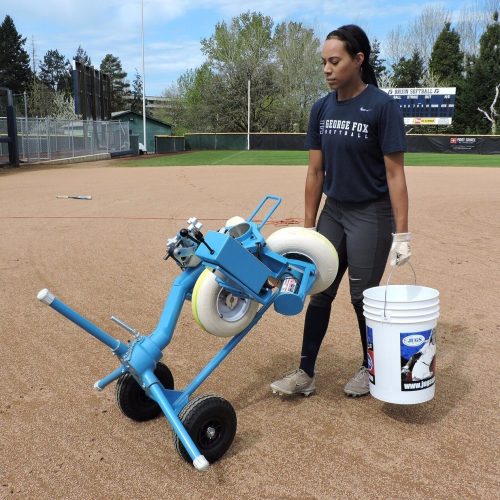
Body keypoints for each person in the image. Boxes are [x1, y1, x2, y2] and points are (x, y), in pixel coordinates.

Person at [270, 24, 411, 398]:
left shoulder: (382, 107)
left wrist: (402, 233)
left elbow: (396, 175)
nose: (327, 69)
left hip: (372, 214)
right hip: (334, 211)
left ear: (358, 60)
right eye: (324, 62)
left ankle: (371, 367)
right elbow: (315, 172)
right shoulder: (321, 108)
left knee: (362, 297)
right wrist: (307, 230)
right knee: (319, 290)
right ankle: (305, 373)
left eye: (335, 61)